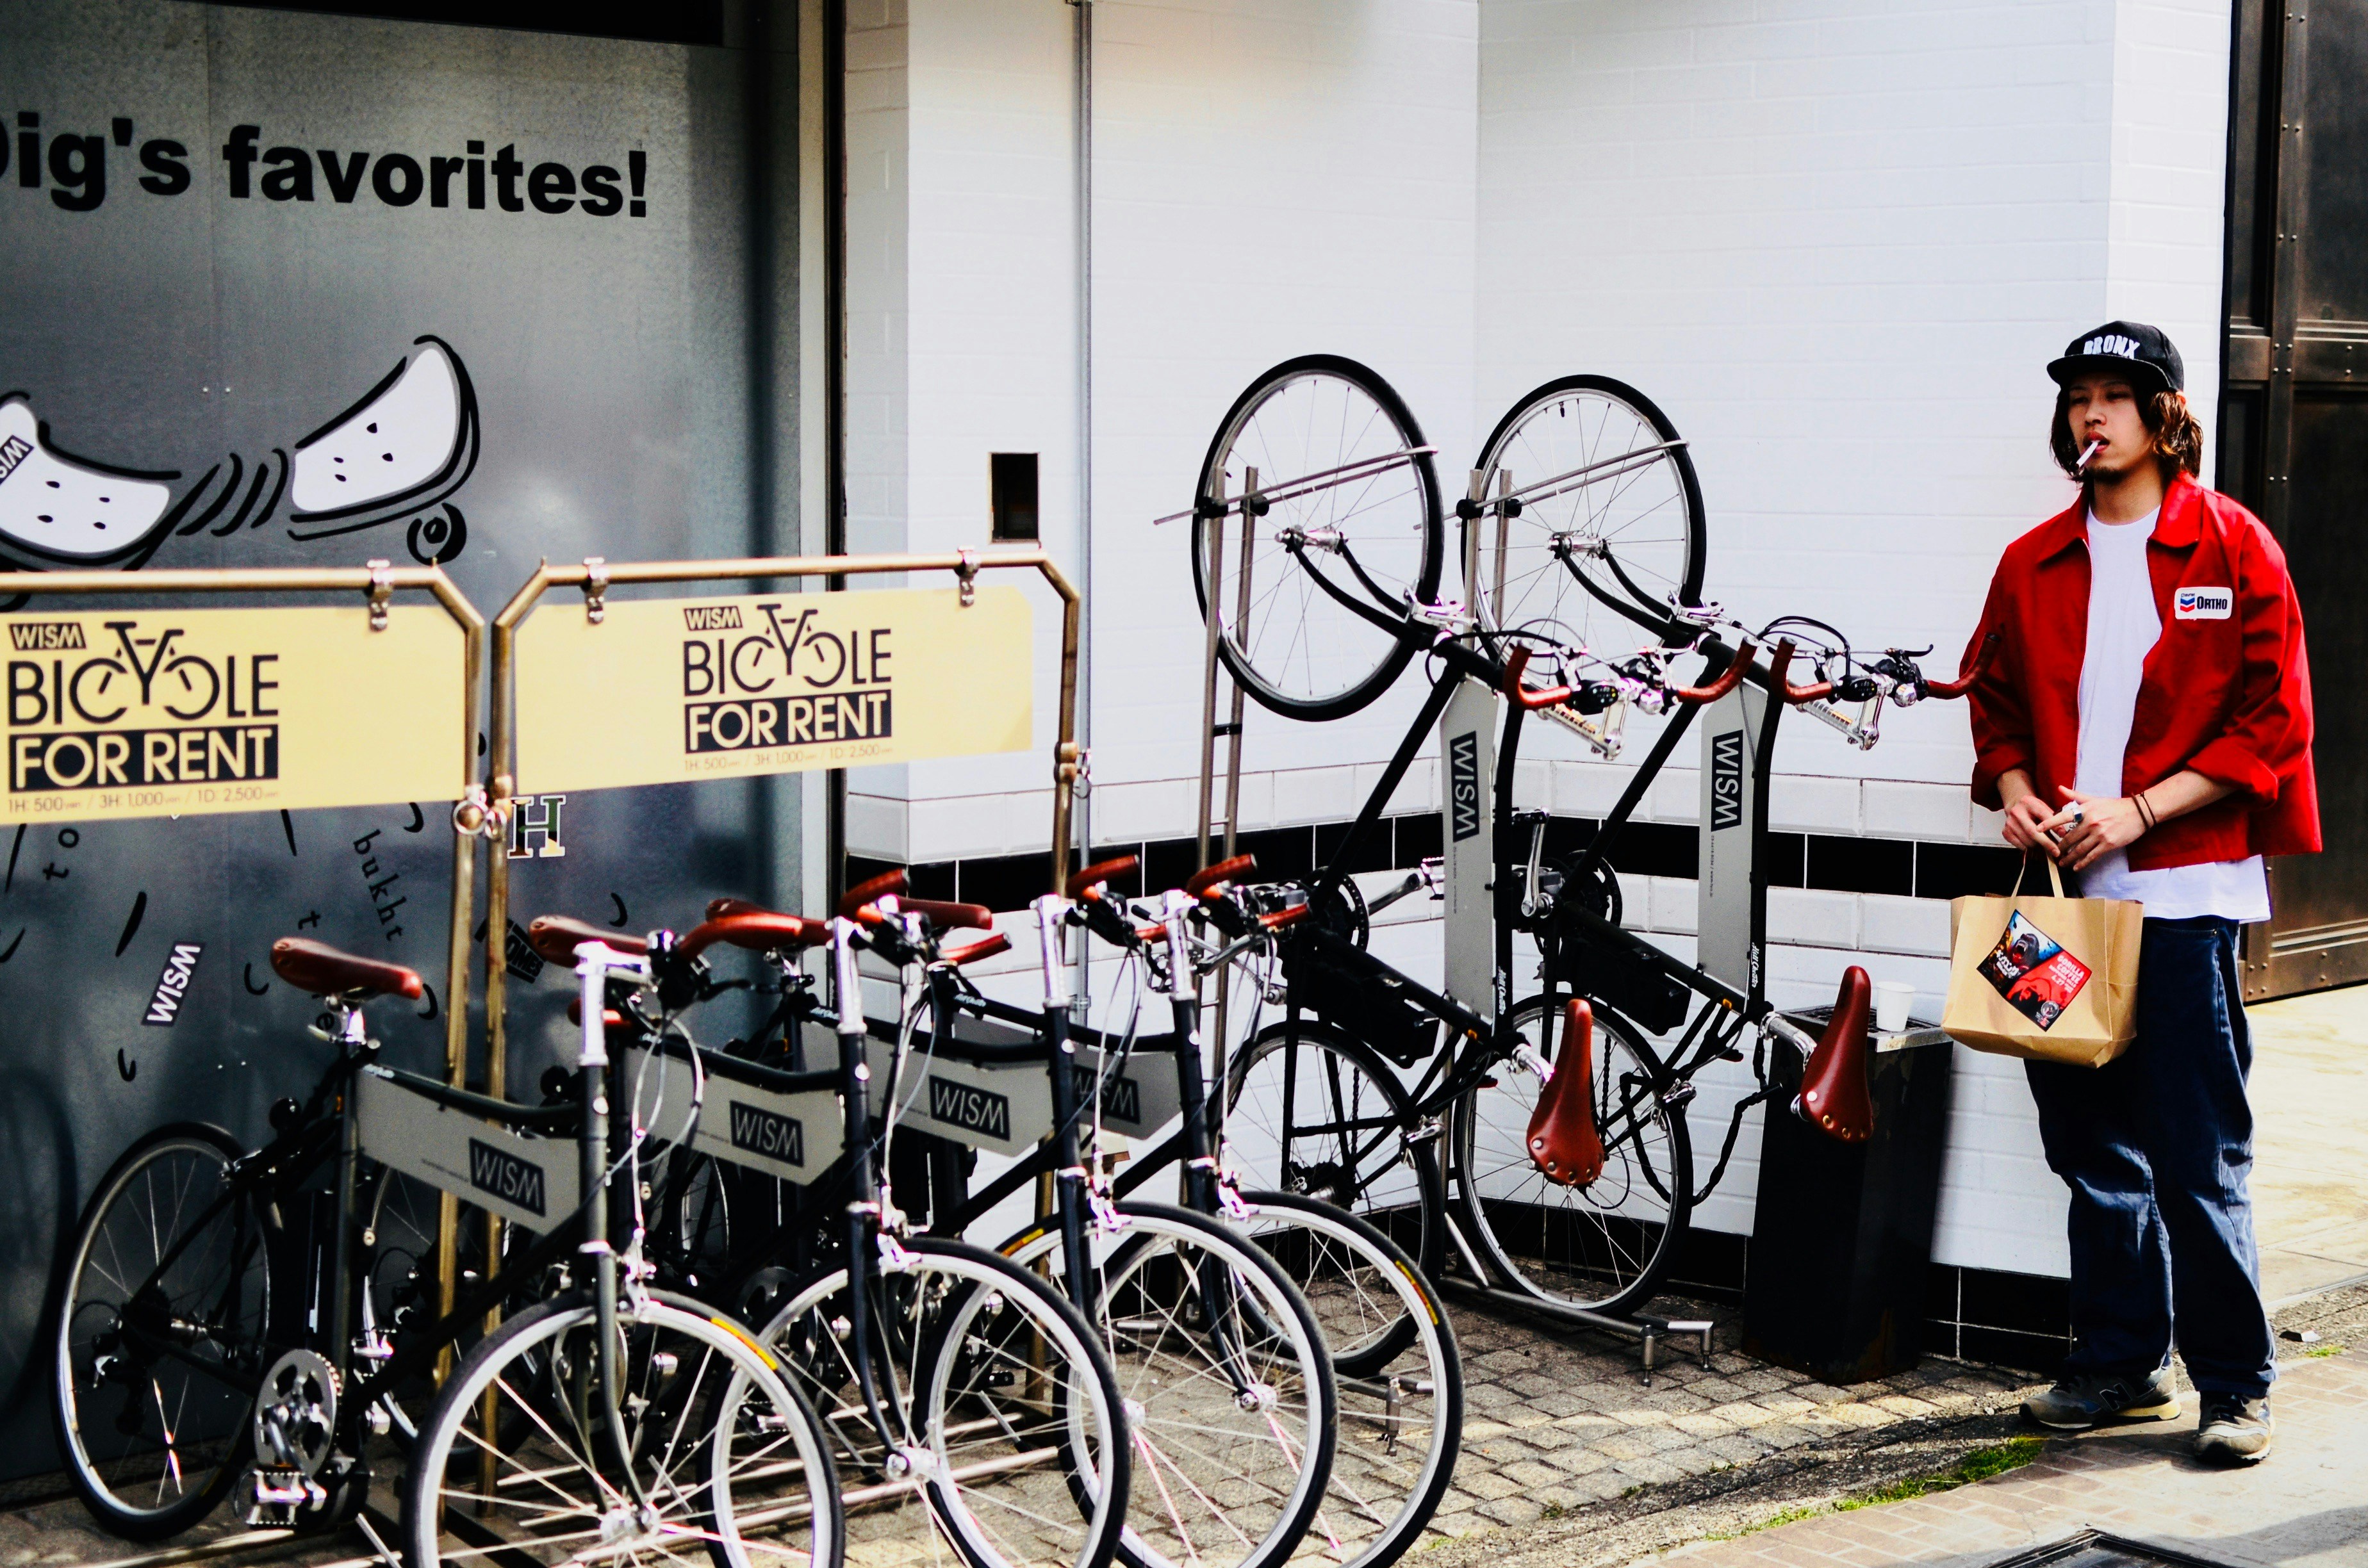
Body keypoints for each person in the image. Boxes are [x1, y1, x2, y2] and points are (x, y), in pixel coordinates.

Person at [1962, 321, 2319, 1466]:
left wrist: (2139, 809)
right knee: (2084, 1143)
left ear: (2166, 415)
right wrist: (2018, 791)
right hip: (2061, 902)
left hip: (2187, 892)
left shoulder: (2234, 547)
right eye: (2079, 398)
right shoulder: (2031, 561)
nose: (2091, 415)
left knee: (2196, 1149)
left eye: (2117, 396)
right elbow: (1995, 702)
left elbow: (2275, 722)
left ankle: (2234, 1386)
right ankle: (2119, 1367)